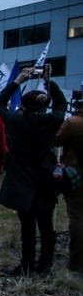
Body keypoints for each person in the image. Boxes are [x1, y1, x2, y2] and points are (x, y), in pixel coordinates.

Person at [0, 65, 66, 276]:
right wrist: (48, 80)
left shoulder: (16, 121)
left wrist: (17, 81)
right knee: (46, 226)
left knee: (27, 226)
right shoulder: (52, 120)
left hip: (21, 179)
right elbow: (61, 104)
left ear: (23, 105)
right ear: (44, 105)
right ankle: (45, 264)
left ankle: (26, 264)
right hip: (45, 178)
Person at [54, 94, 83, 273]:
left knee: (77, 216)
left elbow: (56, 140)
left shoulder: (74, 123)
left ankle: (77, 261)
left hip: (77, 175)